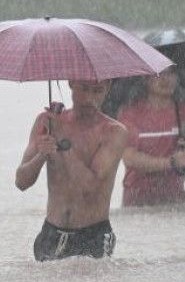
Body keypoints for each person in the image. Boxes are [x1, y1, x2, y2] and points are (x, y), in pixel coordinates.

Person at [16, 79, 128, 261]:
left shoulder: (114, 132)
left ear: (107, 88)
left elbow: (89, 188)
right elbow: (21, 182)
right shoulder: (46, 122)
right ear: (71, 83)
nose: (89, 99)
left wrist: (62, 138)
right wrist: (42, 155)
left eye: (97, 91)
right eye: (84, 89)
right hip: (51, 233)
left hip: (93, 236)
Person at [115, 66, 185, 207]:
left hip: (175, 201)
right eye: (159, 73)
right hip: (137, 205)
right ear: (145, 78)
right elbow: (129, 158)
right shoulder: (130, 114)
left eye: (171, 73)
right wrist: (170, 163)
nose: (166, 79)